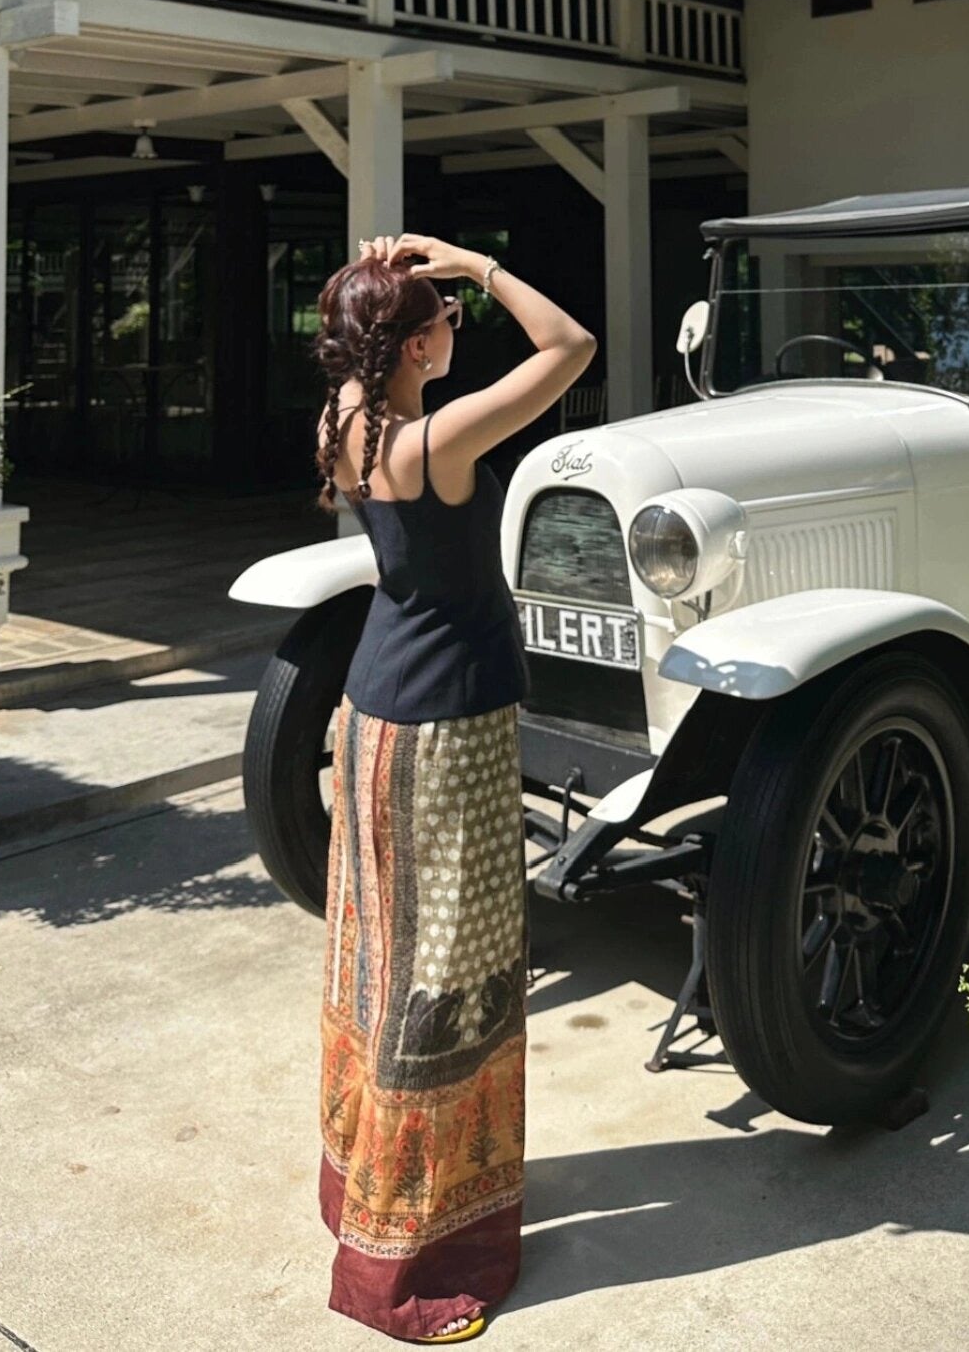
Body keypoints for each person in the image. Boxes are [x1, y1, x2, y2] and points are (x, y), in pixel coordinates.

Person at [311, 232, 596, 1344]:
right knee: (450, 981)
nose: (457, 330)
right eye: (442, 319)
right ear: (414, 342)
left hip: (373, 712)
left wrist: (386, 285)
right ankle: (405, 1262)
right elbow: (569, 343)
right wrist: (473, 263)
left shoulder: (345, 416)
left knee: (381, 961)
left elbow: (359, 339)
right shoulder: (435, 439)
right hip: (450, 728)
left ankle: (361, 1195)